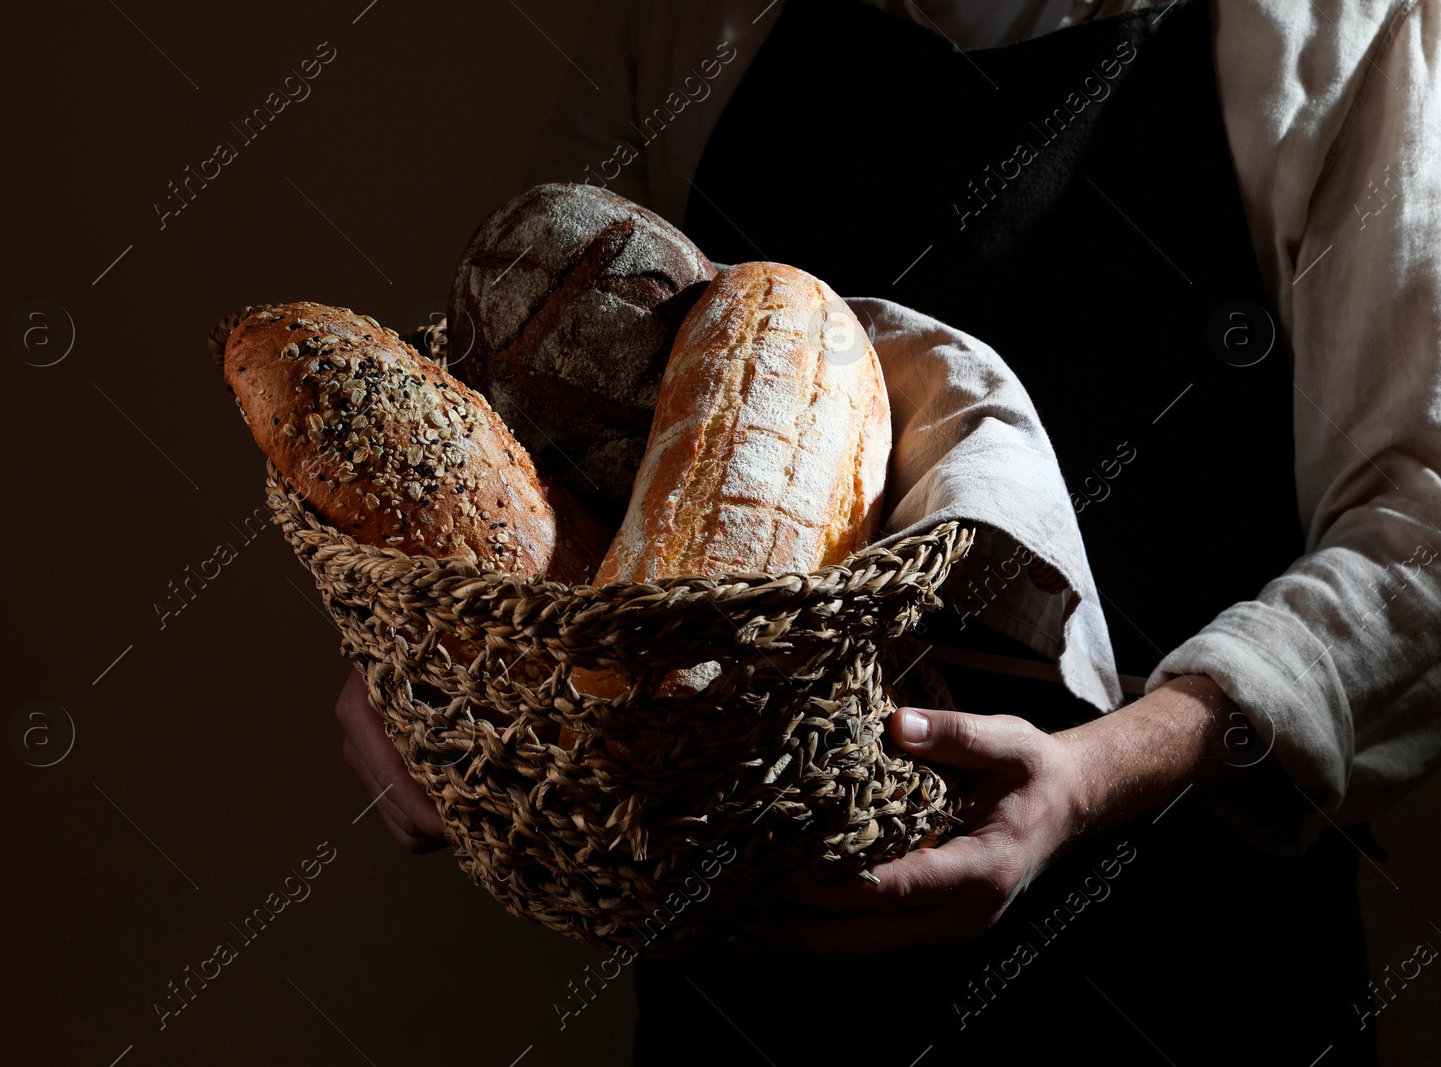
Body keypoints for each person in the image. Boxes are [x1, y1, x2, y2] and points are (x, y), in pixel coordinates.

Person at [337, 0, 1441, 1062]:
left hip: (1190, 965)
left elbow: (1418, 524)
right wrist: (426, 664)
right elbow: (524, 424)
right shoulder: (685, 21)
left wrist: (1092, 775)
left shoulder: (1333, 29)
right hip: (759, 990)